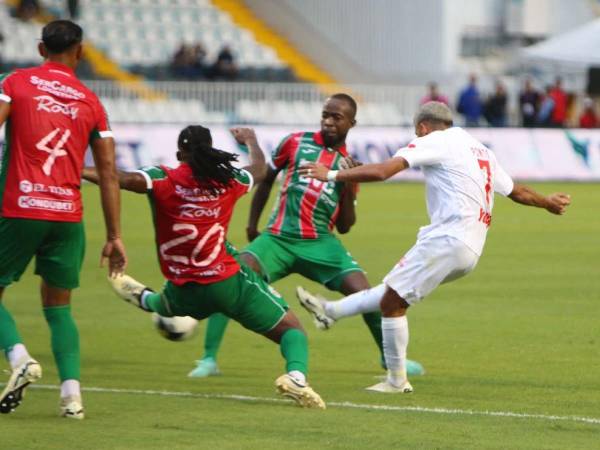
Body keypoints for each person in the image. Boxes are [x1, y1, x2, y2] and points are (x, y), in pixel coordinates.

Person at [297, 101, 571, 393]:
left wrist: (331, 175)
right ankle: (331, 311)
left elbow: (383, 172)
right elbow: (516, 191)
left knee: (393, 302)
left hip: (448, 239)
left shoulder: (435, 141)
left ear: (423, 127)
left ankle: (396, 380)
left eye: (417, 133)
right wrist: (547, 202)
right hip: (471, 247)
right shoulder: (479, 149)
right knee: (393, 290)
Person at [82, 126, 325, 409]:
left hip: (182, 291)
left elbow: (117, 178)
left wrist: (76, 169)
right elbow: (259, 170)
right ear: (211, 150)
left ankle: (145, 298)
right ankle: (295, 376)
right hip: (226, 283)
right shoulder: (227, 179)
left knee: (164, 304)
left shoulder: (163, 178)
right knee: (292, 331)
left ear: (178, 154)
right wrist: (250, 140)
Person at [189, 93, 423, 379]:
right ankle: (208, 359)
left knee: (369, 295)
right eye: (325, 114)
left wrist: (349, 185)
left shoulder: (350, 164)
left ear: (352, 122)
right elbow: (265, 181)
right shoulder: (294, 142)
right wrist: (253, 224)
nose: (328, 121)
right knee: (230, 280)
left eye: (336, 117)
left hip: (320, 244)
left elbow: (347, 226)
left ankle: (391, 361)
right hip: (278, 239)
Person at [0, 20, 127, 419]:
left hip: (19, 207)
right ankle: (72, 398)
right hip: (68, 216)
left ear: (41, 49)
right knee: (59, 308)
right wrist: (115, 235)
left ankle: (19, 357)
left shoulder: (15, 82)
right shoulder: (92, 102)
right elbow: (108, 173)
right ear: (81, 52)